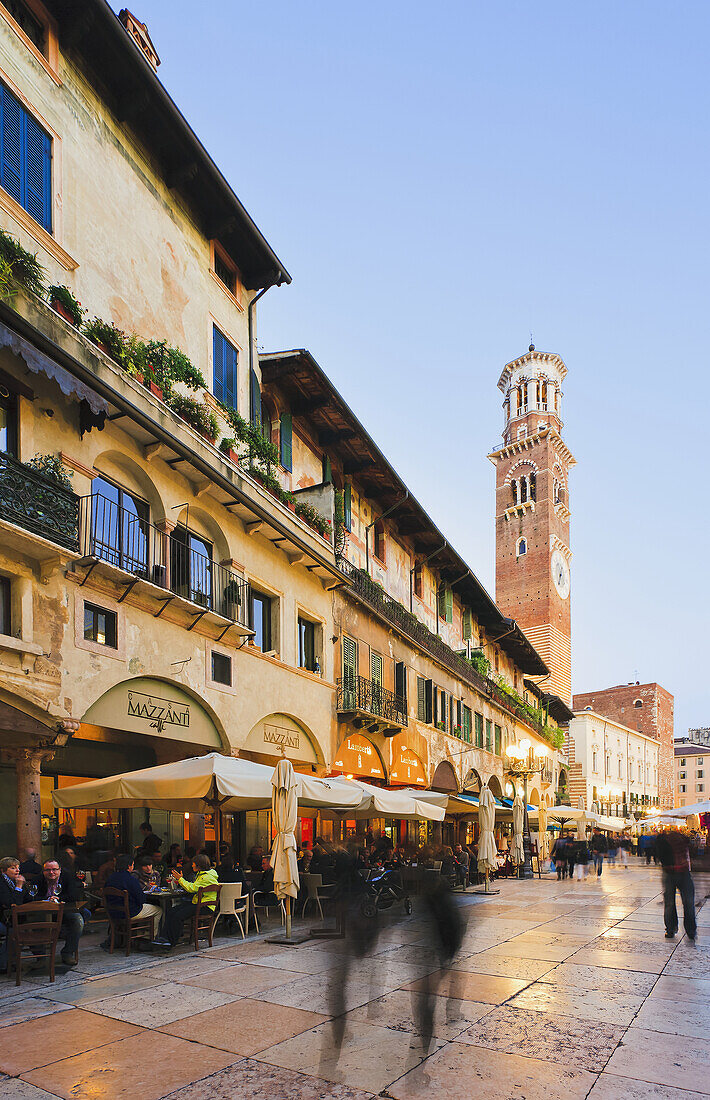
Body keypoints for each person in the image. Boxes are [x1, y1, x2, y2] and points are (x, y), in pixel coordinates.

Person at [156, 853, 219, 947]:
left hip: (205, 906)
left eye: (194, 863)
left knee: (178, 916)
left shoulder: (206, 877)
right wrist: (180, 880)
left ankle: (172, 941)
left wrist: (180, 879)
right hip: (199, 903)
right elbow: (194, 887)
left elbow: (192, 888)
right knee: (172, 911)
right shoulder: (205, 874)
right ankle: (165, 937)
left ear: (199, 865)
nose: (192, 865)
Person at [35, 858, 84, 967]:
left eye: (54, 869)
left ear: (60, 870)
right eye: (47, 870)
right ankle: (40, 957)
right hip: (42, 912)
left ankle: (67, 952)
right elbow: (30, 896)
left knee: (78, 920)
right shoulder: (38, 879)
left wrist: (57, 898)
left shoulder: (67, 877)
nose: (51, 872)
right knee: (32, 922)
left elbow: (74, 895)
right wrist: (47, 899)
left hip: (64, 911)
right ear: (43, 871)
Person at [656, 830, 696, 940]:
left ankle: (676, 929)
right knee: (681, 903)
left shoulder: (683, 839)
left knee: (676, 903)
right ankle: (678, 929)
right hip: (674, 873)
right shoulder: (664, 840)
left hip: (679, 873)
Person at [0, 856, 33, 973]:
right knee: (15, 932)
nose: (17, 870)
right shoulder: (2, 883)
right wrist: (18, 887)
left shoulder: (16, 881)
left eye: (18, 868)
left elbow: (28, 899)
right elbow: (11, 903)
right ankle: (4, 965)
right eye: (13, 868)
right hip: (3, 919)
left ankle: (40, 958)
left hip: (13, 919)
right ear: (3, 871)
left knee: (31, 926)